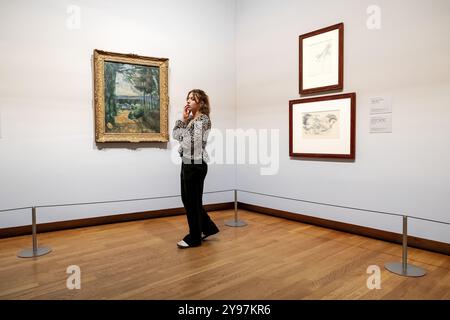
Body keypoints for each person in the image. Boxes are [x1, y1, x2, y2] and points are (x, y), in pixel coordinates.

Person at [172, 89, 219, 249]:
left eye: (193, 98)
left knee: (192, 200)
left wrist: (183, 131)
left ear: (202, 103)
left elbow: (189, 143)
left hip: (195, 164)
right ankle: (207, 227)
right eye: (188, 98)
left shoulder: (203, 120)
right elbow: (175, 135)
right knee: (189, 199)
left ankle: (194, 237)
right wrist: (184, 120)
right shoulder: (192, 119)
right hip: (187, 162)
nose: (188, 101)